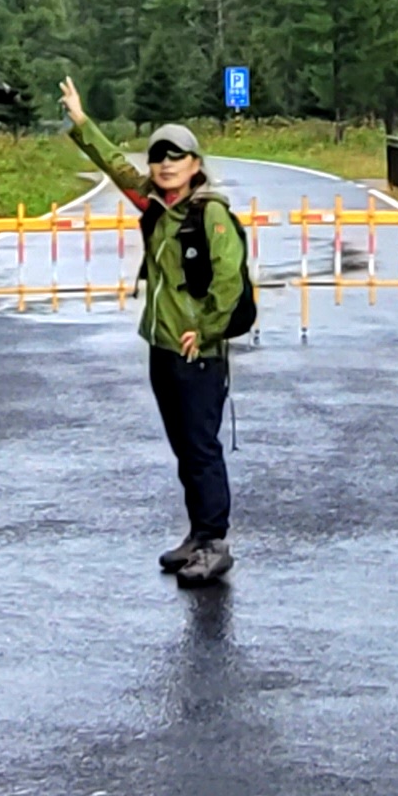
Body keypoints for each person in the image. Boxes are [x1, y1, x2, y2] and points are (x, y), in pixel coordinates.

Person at [60, 79, 251, 587]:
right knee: (184, 446)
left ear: (195, 164)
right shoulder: (155, 206)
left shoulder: (209, 214)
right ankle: (197, 534)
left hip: (196, 351)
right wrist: (81, 121)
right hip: (162, 345)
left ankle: (214, 543)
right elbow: (116, 168)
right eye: (158, 157)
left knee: (200, 447)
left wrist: (204, 329)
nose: (165, 165)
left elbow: (229, 280)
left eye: (176, 157)